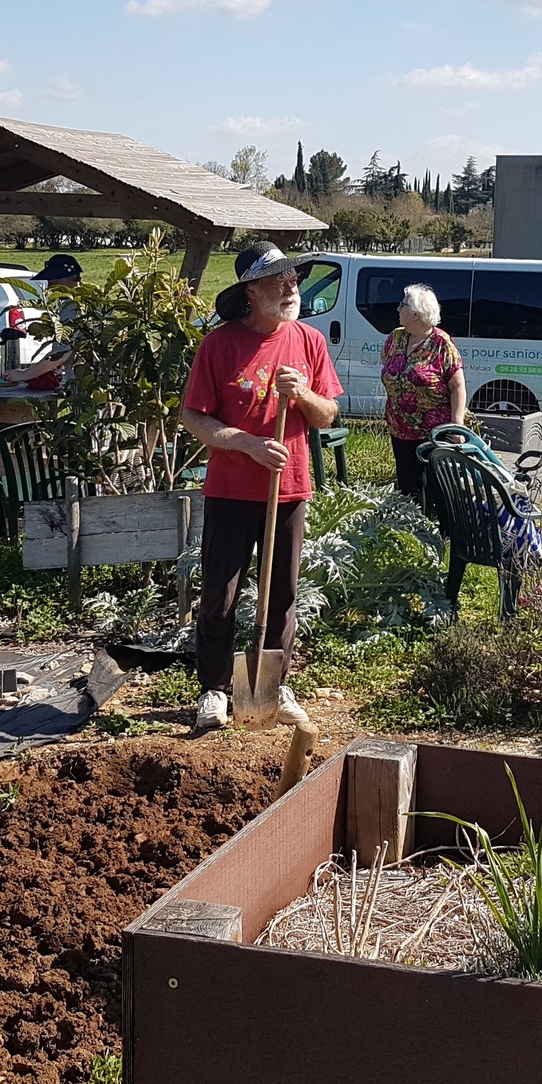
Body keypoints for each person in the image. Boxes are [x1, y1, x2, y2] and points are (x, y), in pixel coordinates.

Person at [180, 242, 343, 732]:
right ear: (251, 291)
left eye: (293, 278)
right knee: (219, 594)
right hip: (231, 489)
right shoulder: (220, 345)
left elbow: (328, 413)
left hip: (289, 488)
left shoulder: (309, 341)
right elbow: (194, 417)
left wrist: (304, 395)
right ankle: (213, 689)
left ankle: (273, 684)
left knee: (283, 593)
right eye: (278, 279)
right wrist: (247, 444)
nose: (291, 286)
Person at [380, 283, 466, 501]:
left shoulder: (441, 344)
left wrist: (457, 426)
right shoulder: (396, 338)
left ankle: (440, 533)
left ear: (417, 313)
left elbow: (457, 386)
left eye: (403, 305)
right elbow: (388, 366)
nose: (398, 309)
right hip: (399, 429)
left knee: (437, 491)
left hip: (433, 433)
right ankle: (412, 532)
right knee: (408, 490)